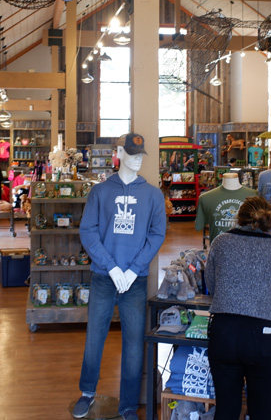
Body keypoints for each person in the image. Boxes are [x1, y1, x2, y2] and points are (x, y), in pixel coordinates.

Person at [73, 133, 166, 420]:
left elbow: (156, 235)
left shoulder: (152, 195)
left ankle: (127, 405)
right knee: (95, 337)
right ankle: (87, 392)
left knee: (134, 343)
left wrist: (132, 268)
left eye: (141, 154)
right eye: (132, 153)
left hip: (134, 281)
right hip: (104, 276)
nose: (137, 158)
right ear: (120, 154)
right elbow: (87, 231)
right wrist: (112, 267)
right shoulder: (100, 192)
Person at [205, 196, 271, 420]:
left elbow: (212, 285)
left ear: (238, 218)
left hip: (224, 331)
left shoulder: (220, 242)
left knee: (225, 408)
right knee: (262, 410)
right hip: (263, 334)